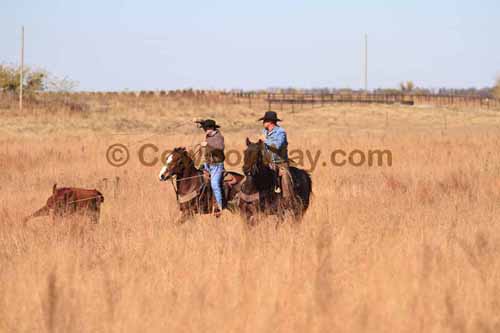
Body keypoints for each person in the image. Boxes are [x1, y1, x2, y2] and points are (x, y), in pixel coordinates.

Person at [258, 111, 295, 203]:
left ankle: (288, 202)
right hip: (267, 162)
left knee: (285, 180)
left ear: (270, 122)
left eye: (264, 121)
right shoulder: (264, 131)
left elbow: (277, 146)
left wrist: (265, 140)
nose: (263, 123)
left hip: (280, 163)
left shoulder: (281, 132)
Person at [198, 119, 225, 217]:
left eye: (206, 128)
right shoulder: (208, 134)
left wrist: (207, 145)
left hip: (217, 165)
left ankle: (219, 206)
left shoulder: (219, 137)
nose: (205, 130)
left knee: (214, 184)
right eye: (204, 128)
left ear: (211, 128)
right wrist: (199, 121)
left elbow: (220, 147)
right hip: (207, 164)